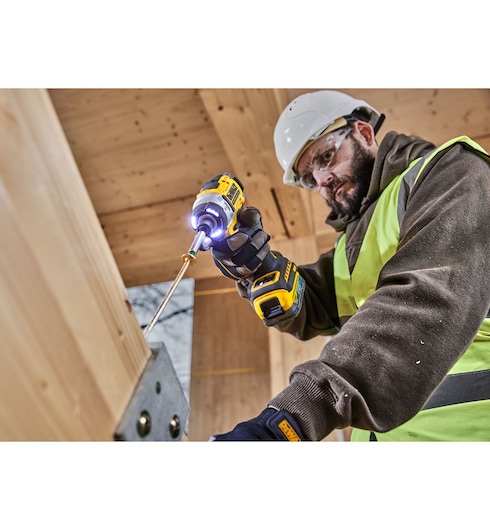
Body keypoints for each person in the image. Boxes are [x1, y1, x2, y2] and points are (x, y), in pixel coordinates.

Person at [209, 90, 490, 441]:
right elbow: (314, 302)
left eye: (326, 157)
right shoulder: (351, 246)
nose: (322, 180)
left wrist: (300, 411)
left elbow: (427, 298)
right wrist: (257, 267)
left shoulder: (452, 172)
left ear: (365, 133)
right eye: (310, 177)